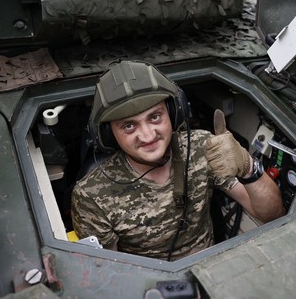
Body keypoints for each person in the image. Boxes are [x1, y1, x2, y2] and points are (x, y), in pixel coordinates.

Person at [71, 60, 284, 261]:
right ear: (109, 134)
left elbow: (272, 216)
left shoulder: (202, 147)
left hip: (214, 268)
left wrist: (248, 168)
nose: (147, 136)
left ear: (173, 112)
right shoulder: (92, 196)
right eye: (129, 126)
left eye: (155, 117)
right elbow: (111, 273)